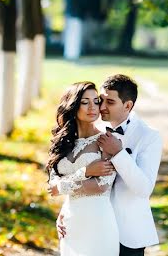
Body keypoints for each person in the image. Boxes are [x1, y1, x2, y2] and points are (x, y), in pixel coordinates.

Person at [55, 74, 163, 256]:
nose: (101, 107)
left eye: (110, 102)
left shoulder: (149, 136)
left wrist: (119, 154)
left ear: (127, 105)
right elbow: (80, 173)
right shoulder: (93, 128)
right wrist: (66, 210)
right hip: (93, 226)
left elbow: (144, 189)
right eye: (101, 100)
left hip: (128, 233)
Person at [46, 81, 119, 256]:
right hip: (70, 222)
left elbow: (101, 185)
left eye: (96, 101)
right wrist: (86, 172)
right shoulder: (61, 142)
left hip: (98, 222)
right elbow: (52, 185)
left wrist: (62, 187)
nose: (92, 107)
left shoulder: (106, 141)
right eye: (85, 102)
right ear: (72, 105)